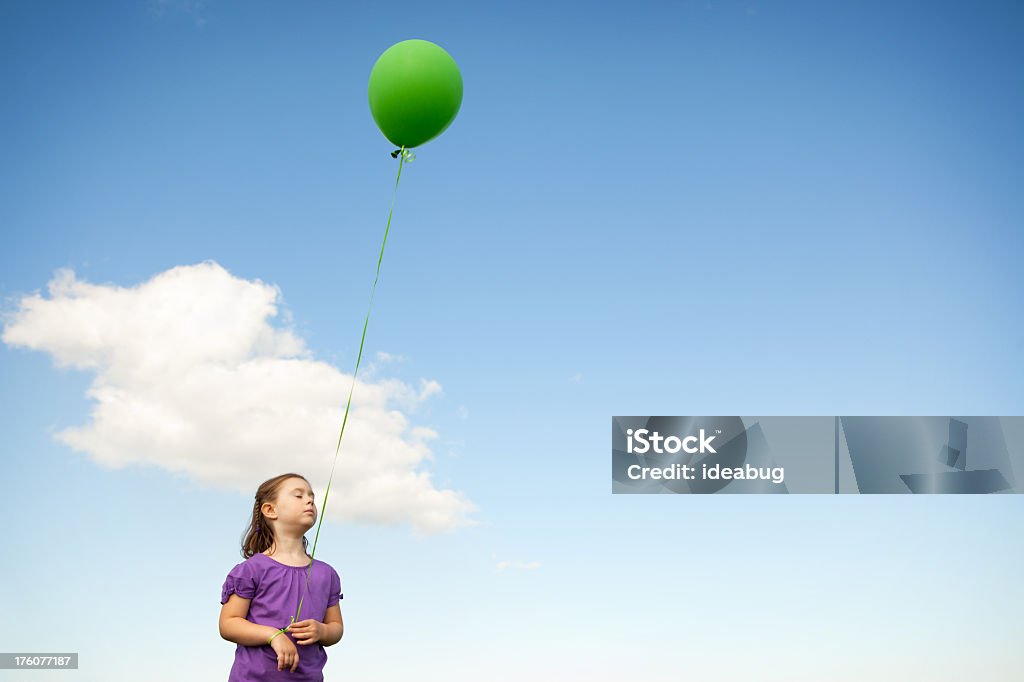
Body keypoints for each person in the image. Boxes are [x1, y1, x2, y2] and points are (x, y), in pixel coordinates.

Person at [219, 473, 344, 680]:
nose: (310, 500)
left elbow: (336, 628)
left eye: (311, 496)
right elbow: (228, 623)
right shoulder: (251, 570)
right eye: (298, 495)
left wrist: (322, 631)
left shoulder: (326, 574)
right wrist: (273, 635)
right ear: (270, 510)